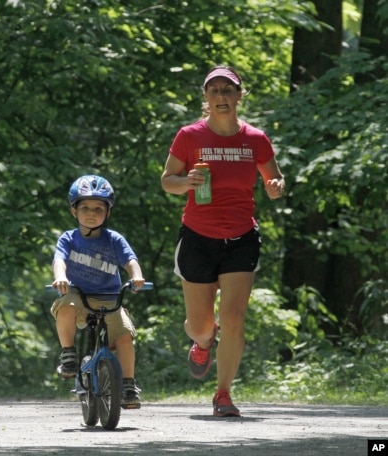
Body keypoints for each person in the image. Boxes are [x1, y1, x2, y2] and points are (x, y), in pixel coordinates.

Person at [160, 66, 285, 417]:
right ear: (206, 98)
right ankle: (202, 342)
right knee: (201, 325)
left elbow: (275, 180)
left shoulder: (256, 139)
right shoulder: (189, 136)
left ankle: (223, 394)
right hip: (198, 237)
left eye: (227, 90)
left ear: (239, 96)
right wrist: (184, 182)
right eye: (214, 90)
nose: (221, 96)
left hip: (241, 238)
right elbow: (167, 179)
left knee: (234, 318)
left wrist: (276, 187)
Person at [50, 175, 146, 409]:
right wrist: (60, 277)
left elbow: (130, 260)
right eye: (84, 207)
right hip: (79, 295)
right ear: (74, 211)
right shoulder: (69, 238)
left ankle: (128, 385)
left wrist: (136, 275)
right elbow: (59, 260)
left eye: (98, 208)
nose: (91, 213)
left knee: (124, 335)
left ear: (107, 213)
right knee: (66, 305)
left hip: (110, 298)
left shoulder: (114, 239)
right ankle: (68, 353)